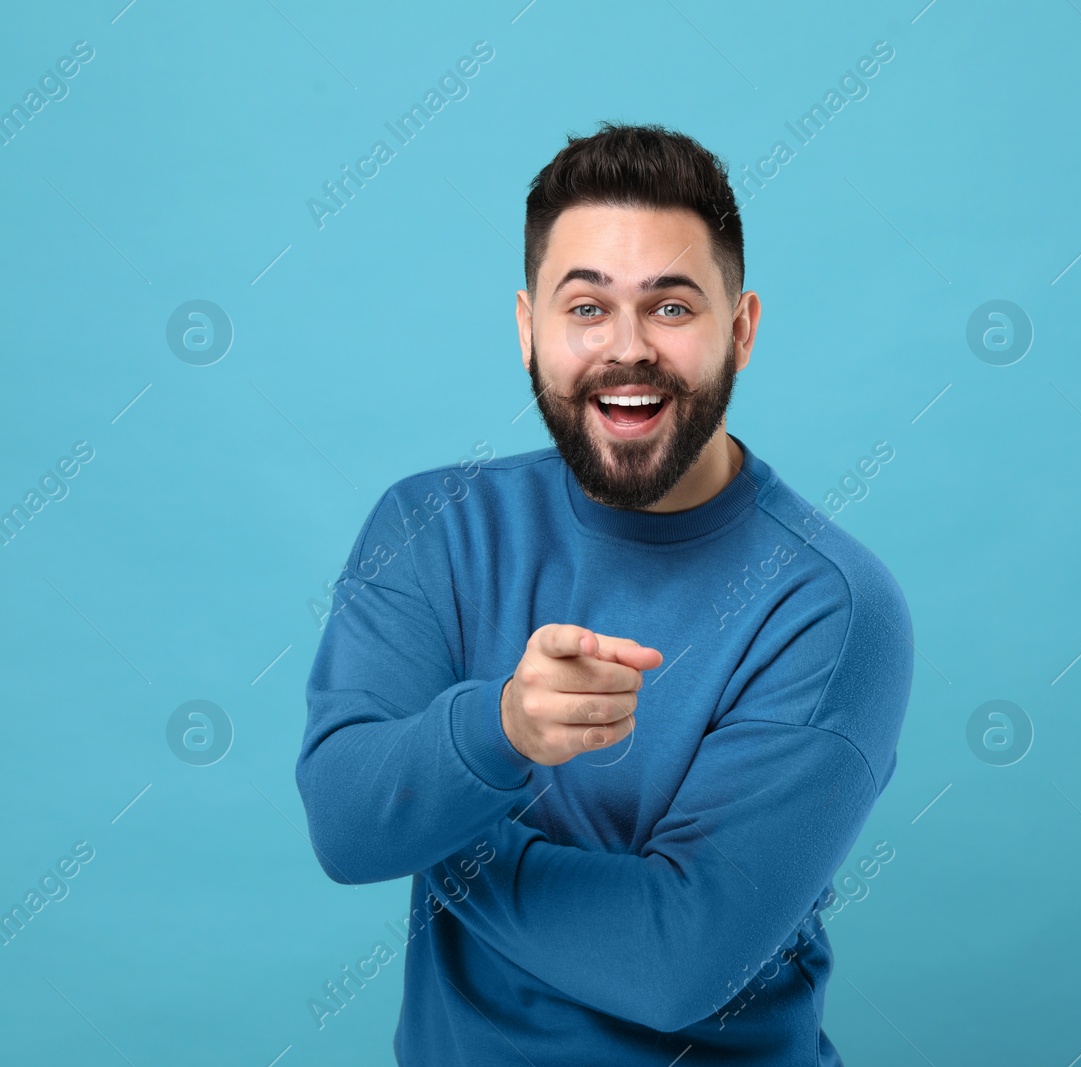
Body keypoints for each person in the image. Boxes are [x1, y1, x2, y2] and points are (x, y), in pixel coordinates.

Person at [296, 121, 914, 1065]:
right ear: (526, 327)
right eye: (585, 308)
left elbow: (675, 962)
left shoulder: (831, 608)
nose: (627, 350)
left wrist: (440, 816)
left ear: (740, 330)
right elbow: (344, 824)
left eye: (672, 308)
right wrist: (501, 729)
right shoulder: (432, 530)